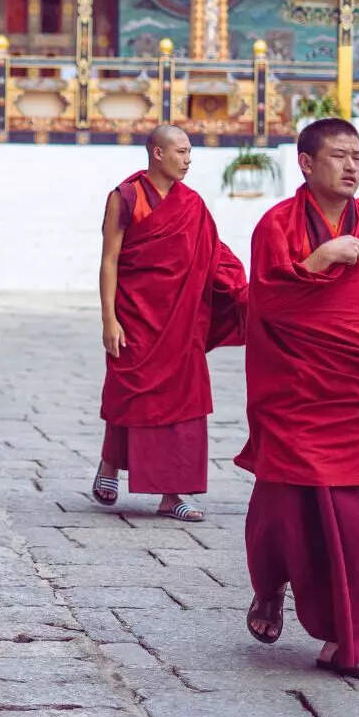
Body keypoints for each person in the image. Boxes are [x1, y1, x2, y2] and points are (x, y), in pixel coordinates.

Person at [240, 118, 359, 680]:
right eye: (339, 156)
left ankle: (358, 642)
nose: (351, 167)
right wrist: (319, 262)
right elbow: (268, 304)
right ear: (305, 163)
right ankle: (271, 586)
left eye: (356, 157)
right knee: (286, 516)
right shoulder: (275, 224)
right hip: (298, 396)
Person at [93, 125, 247, 523]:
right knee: (131, 391)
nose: (188, 159)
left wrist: (242, 288)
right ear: (157, 153)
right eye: (181, 151)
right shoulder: (125, 198)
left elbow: (212, 252)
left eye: (190, 152)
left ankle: (172, 493)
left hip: (182, 320)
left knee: (182, 402)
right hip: (136, 314)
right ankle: (110, 465)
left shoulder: (192, 204)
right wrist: (109, 318)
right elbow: (110, 259)